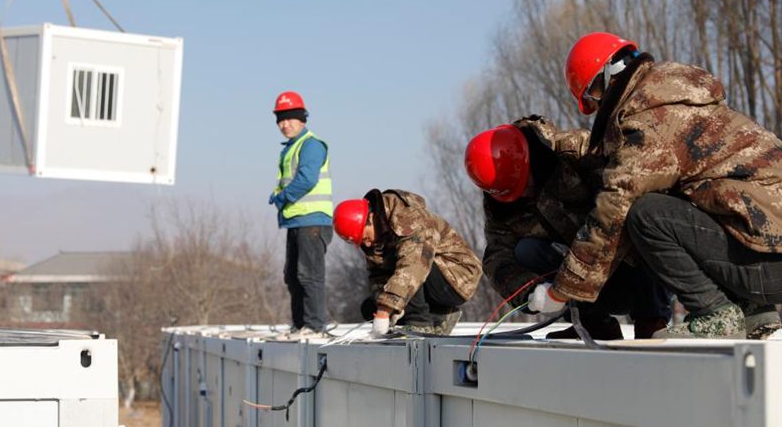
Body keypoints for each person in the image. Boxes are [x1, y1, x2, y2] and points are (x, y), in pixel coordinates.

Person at [540, 31, 782, 338]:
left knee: (646, 213)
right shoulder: (684, 100)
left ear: (606, 79)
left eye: (593, 98)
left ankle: (715, 313)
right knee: (694, 199)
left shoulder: (649, 121)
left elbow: (615, 207)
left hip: (767, 266)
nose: (597, 108)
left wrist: (561, 291)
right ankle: (754, 314)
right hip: (770, 256)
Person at [464, 116, 672, 339]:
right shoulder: (499, 203)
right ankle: (594, 324)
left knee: (639, 211)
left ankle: (651, 320)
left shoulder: (578, 151)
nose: (523, 193)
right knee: (526, 250)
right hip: (585, 286)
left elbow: (631, 188)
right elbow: (498, 256)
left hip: (630, 270)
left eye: (524, 183)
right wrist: (529, 293)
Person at [332, 189, 482, 335]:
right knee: (369, 307)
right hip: (426, 278)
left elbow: (413, 266)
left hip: (458, 276)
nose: (368, 244)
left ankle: (419, 323)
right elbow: (378, 277)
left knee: (404, 270)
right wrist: (383, 313)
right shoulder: (376, 237)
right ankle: (440, 314)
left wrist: (385, 310)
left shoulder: (408, 218)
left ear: (370, 219)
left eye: (365, 238)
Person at [269, 91, 333, 334]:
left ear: (302, 118)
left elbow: (306, 179)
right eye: (280, 120)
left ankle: (315, 326)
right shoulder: (292, 147)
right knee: (293, 276)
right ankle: (299, 325)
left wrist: (282, 197)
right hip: (296, 220)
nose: (285, 124)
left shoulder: (311, 145)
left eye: (289, 118)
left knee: (309, 274)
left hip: (312, 220)